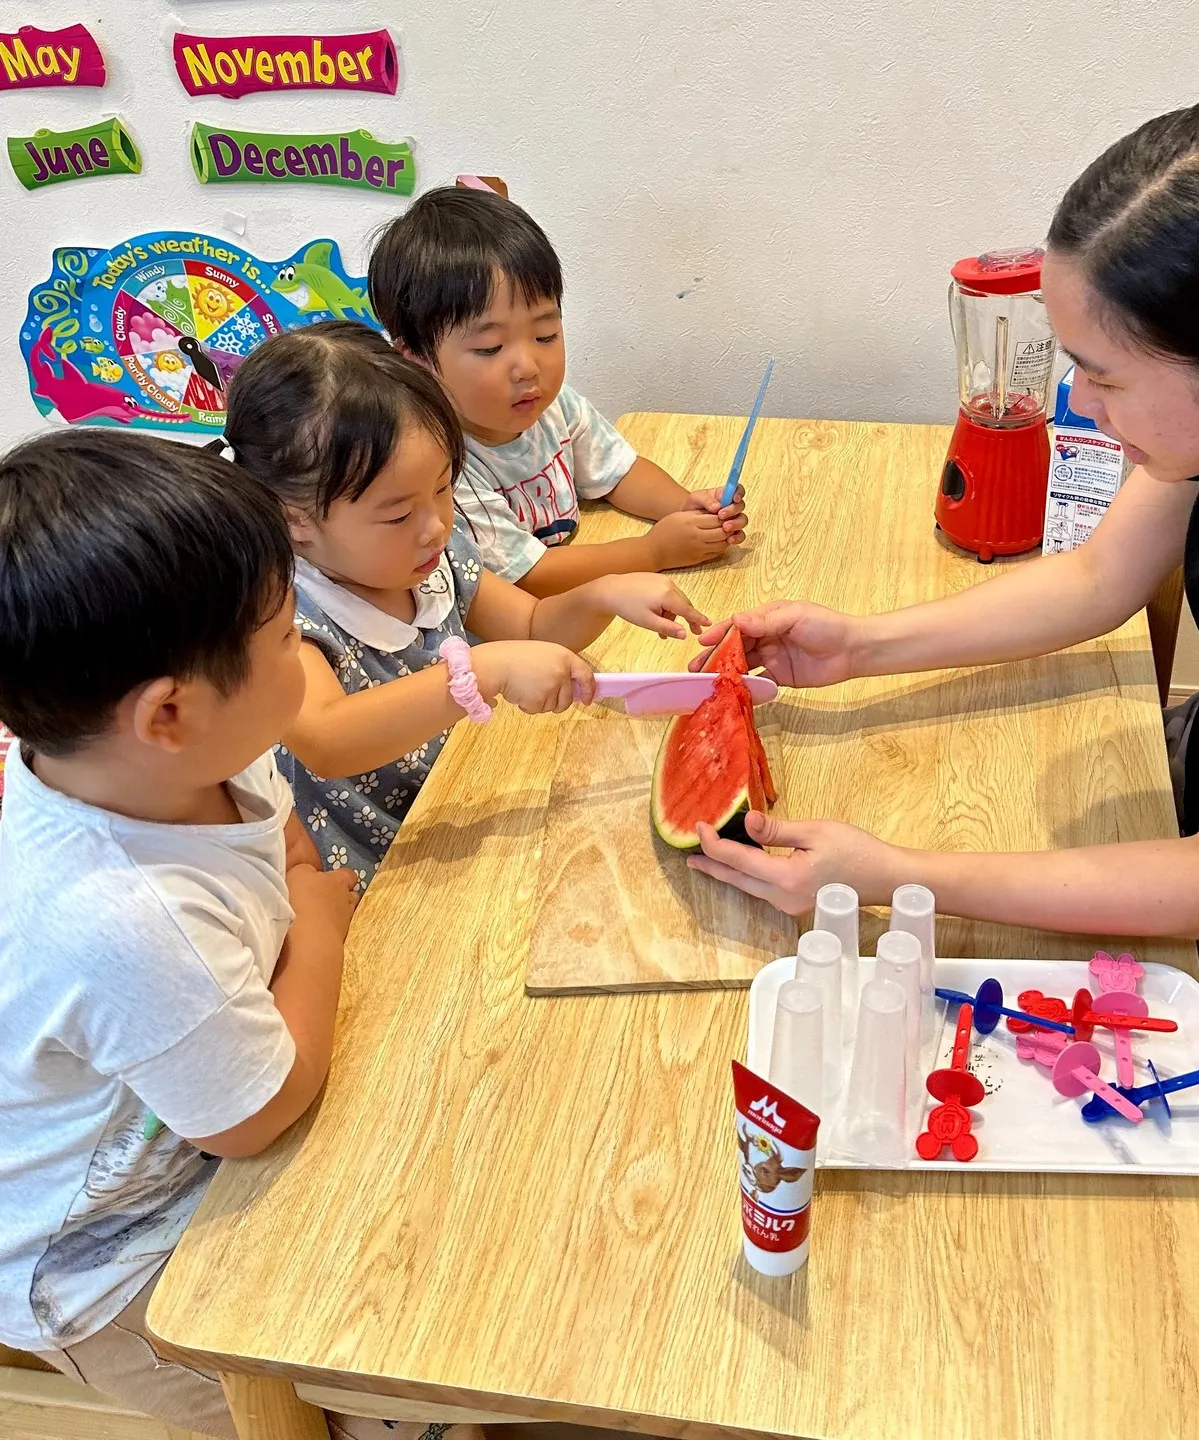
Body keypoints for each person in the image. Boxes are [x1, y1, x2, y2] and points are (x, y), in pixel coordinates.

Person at [687, 99, 1199, 1057]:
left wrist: (897, 873)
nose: (1079, 403)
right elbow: (1095, 579)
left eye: (1106, 378)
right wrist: (864, 643)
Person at [0, 432, 473, 1439]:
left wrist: (305, 896)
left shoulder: (199, 753)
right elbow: (260, 1109)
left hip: (208, 1104)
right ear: (168, 714)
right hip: (108, 1263)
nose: (299, 645)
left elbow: (286, 840)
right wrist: (323, 928)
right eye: (280, 635)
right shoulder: (121, 916)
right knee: (303, 1414)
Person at [219, 322, 709, 889]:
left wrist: (604, 592)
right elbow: (328, 740)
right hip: (384, 872)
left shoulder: (428, 553)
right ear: (294, 520)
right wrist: (484, 669)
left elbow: (529, 624)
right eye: (398, 514)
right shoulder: (285, 618)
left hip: (467, 799)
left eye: (445, 487)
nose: (435, 525)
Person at [367, 185, 748, 596]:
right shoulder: (437, 466)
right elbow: (530, 576)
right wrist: (655, 551)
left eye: (546, 335)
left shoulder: (548, 405)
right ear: (417, 359)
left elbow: (617, 472)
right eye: (490, 348)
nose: (528, 367)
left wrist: (686, 510)